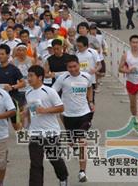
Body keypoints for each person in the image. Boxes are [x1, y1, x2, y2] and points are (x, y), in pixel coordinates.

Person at [52, 55, 94, 183]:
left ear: (78, 65)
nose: (72, 69)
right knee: (71, 142)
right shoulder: (62, 78)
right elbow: (53, 92)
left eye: (74, 66)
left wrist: (91, 101)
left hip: (84, 114)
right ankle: (74, 147)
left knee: (82, 142)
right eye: (69, 67)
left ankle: (82, 172)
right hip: (68, 115)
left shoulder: (86, 76)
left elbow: (90, 87)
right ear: (67, 68)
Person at [24, 65, 68, 186]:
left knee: (54, 158)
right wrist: (25, 121)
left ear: (40, 77)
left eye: (31, 76)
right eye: (28, 76)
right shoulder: (28, 92)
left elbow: (61, 107)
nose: (29, 78)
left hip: (51, 131)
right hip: (35, 132)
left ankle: (63, 177)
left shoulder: (49, 91)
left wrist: (45, 110)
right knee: (35, 163)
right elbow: (29, 111)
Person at [118, 35, 138, 128]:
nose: (135, 44)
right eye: (133, 42)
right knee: (133, 106)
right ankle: (134, 118)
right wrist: (128, 71)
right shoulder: (126, 55)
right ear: (130, 43)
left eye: (136, 42)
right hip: (131, 83)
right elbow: (120, 69)